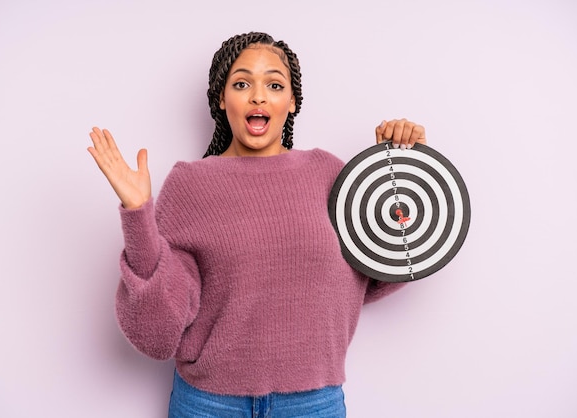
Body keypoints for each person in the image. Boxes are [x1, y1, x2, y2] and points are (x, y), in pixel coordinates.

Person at [88, 31, 426, 417]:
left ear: (292, 101)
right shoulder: (190, 184)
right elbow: (158, 333)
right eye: (242, 83)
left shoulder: (330, 174)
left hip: (313, 404)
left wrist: (403, 168)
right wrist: (138, 215)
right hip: (209, 403)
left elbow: (381, 270)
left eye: (275, 84)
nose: (258, 96)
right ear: (221, 98)